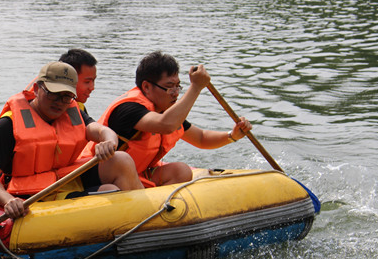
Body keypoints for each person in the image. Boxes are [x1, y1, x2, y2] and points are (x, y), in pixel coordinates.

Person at [0, 61, 143, 219]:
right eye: (53, 94)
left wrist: (108, 141)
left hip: (66, 180)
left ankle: (145, 217)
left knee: (121, 159)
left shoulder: (72, 112)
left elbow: (100, 130)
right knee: (110, 191)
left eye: (66, 97)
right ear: (37, 89)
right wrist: (8, 200)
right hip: (30, 192)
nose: (59, 102)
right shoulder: (8, 125)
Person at [81, 51, 253, 187]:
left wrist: (233, 135)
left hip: (136, 174)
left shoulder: (166, 111)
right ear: (147, 87)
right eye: (169, 87)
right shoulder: (129, 109)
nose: (176, 93)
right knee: (122, 160)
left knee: (181, 171)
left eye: (178, 86)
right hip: (97, 174)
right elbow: (166, 125)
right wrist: (196, 87)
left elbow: (201, 138)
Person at [58, 48, 98, 121]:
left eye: (93, 80)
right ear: (68, 79)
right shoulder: (51, 110)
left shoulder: (79, 107)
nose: (92, 88)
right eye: (87, 82)